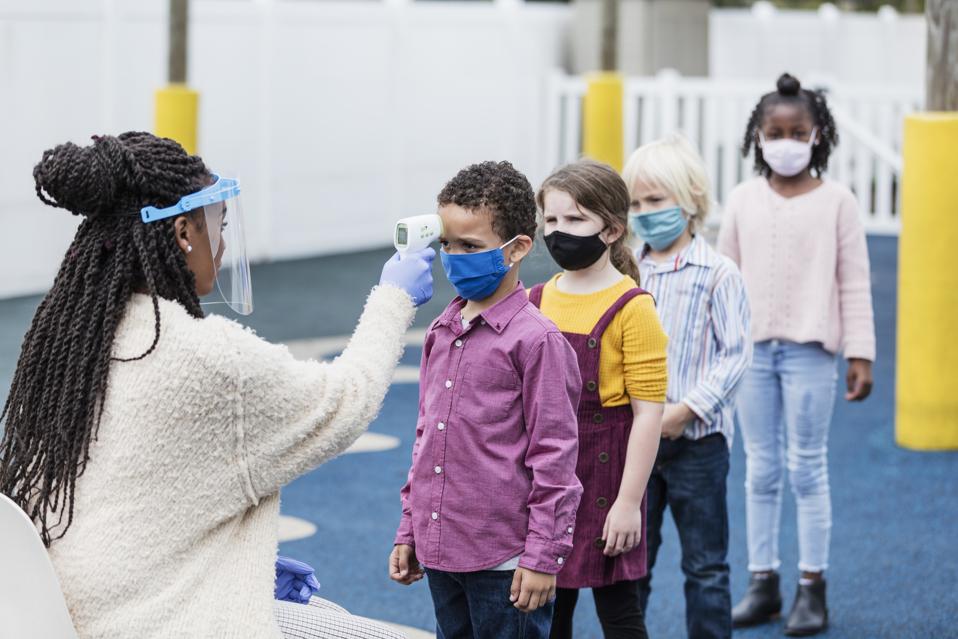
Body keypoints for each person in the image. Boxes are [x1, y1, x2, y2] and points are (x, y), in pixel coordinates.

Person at [0, 132, 435, 639]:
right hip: (161, 622)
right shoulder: (206, 355)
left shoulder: (74, 342)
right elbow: (344, 401)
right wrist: (393, 297)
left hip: (91, 608)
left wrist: (241, 566)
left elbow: (133, 497)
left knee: (332, 619)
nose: (223, 245)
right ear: (184, 231)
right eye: (218, 227)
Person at [389, 161, 583, 639]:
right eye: (447, 244)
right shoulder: (441, 330)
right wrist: (411, 528)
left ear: (516, 248)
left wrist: (542, 556)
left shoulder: (537, 342)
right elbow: (426, 440)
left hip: (504, 562)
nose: (454, 257)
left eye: (471, 246)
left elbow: (555, 457)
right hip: (442, 549)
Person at [718, 73, 876, 637]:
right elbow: (724, 280)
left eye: (797, 131)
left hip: (812, 353)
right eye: (774, 131)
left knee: (807, 468)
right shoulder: (740, 199)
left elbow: (854, 282)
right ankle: (763, 582)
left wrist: (861, 353)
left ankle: (813, 587)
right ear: (757, 137)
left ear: (817, 136)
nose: (786, 140)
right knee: (759, 469)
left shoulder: (840, 202)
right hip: (752, 355)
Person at [623, 133, 752, 639]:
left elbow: (736, 354)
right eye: (635, 203)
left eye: (656, 200)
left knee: (705, 566)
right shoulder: (626, 273)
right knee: (632, 566)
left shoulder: (719, 273)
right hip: (638, 446)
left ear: (691, 200)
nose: (645, 212)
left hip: (699, 445)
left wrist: (686, 411)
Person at [531, 159, 667, 639]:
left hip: (608, 474)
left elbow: (649, 414)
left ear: (610, 230)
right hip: (548, 476)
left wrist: (629, 503)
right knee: (546, 612)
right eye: (551, 220)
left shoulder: (634, 307)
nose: (559, 231)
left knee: (619, 613)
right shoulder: (535, 300)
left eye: (575, 220)